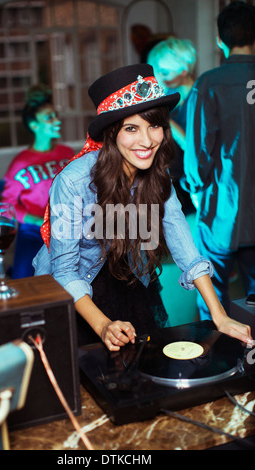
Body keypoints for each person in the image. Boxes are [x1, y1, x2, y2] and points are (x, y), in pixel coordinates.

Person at [33, 64, 252, 351]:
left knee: (143, 371)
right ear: (111, 133)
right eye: (132, 128)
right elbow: (64, 270)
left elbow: (184, 246)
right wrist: (103, 325)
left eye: (154, 125)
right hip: (78, 291)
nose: (147, 141)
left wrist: (219, 316)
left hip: (129, 278)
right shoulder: (72, 181)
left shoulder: (157, 174)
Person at [181, 1, 255, 321]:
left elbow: (197, 158)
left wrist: (197, 190)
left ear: (220, 41)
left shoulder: (209, 84)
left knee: (212, 300)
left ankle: (220, 366)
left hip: (220, 213)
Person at [1, 84, 74, 278]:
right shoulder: (21, 162)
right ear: (34, 125)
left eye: (55, 115)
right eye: (49, 117)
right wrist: (35, 219)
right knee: (25, 282)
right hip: (32, 232)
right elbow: (5, 206)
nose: (57, 121)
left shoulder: (67, 154)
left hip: (65, 229)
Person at [147, 37, 197, 214]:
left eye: (165, 72)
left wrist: (165, 117)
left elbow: (191, 144)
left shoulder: (199, 97)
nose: (162, 77)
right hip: (169, 179)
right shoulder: (169, 96)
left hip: (192, 180)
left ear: (183, 70)